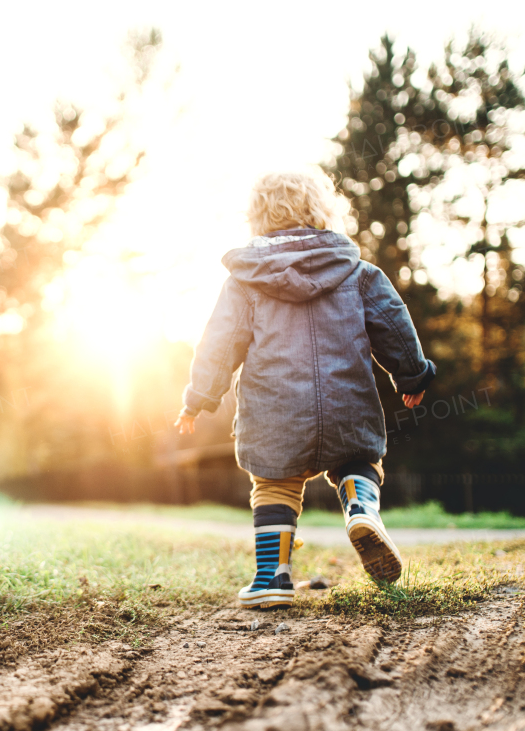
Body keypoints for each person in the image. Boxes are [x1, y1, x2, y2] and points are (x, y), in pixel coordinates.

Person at [175, 170, 434, 609]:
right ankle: (359, 505)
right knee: (359, 462)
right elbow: (394, 323)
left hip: (275, 415)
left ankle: (271, 579)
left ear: (257, 217)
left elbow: (219, 345)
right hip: (347, 406)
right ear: (322, 209)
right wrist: (411, 375)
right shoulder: (357, 272)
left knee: (275, 486)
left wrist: (198, 399)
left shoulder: (244, 282)